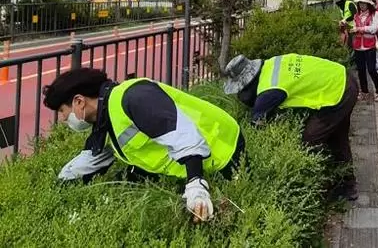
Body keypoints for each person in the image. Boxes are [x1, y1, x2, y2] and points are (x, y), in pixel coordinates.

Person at [43, 68, 244, 223]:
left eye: (62, 111)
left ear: (79, 101)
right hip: (193, 160)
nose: (62, 119)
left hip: (224, 150)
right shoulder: (105, 117)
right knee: (127, 179)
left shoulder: (134, 97)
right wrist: (58, 186)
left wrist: (196, 187)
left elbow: (185, 137)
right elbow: (92, 158)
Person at [222, 53, 359, 200]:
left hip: (338, 92)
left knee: (310, 140)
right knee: (338, 137)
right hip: (342, 76)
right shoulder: (271, 63)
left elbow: (256, 126)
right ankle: (347, 185)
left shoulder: (267, 92)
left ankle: (315, 190)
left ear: (246, 84)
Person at [351, 0, 378, 102]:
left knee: (371, 69)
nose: (362, 5)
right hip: (358, 46)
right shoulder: (356, 15)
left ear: (369, 4)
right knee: (361, 70)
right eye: (360, 3)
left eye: (364, 3)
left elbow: (375, 28)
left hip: (369, 46)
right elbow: (353, 26)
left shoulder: (375, 14)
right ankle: (364, 91)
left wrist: (360, 29)